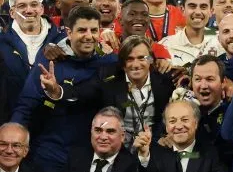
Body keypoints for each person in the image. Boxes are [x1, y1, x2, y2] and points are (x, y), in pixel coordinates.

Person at [12, 5, 114, 172]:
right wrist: (12, 139)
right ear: (69, 32)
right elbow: (26, 106)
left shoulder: (109, 62)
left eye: (93, 30)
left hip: (90, 157)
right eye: (82, 30)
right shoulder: (49, 60)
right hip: (48, 154)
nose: (89, 36)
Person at [42, 35, 175, 145]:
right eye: (130, 59)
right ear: (122, 64)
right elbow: (80, 93)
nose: (136, 65)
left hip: (155, 144)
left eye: (142, 58)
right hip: (117, 147)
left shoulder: (164, 80)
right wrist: (56, 90)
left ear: (151, 60)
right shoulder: (108, 77)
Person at [0, 0, 64, 122]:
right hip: (11, 126)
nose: (29, 10)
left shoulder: (62, 40)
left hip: (53, 125)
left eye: (34, 5)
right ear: (12, 12)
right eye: (22, 6)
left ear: (41, 9)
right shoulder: (1, 43)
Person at [160, 0, 222, 67]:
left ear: (211, 11)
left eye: (203, 7)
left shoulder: (221, 43)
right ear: (182, 10)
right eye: (192, 6)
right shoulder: (166, 45)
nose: (198, 12)